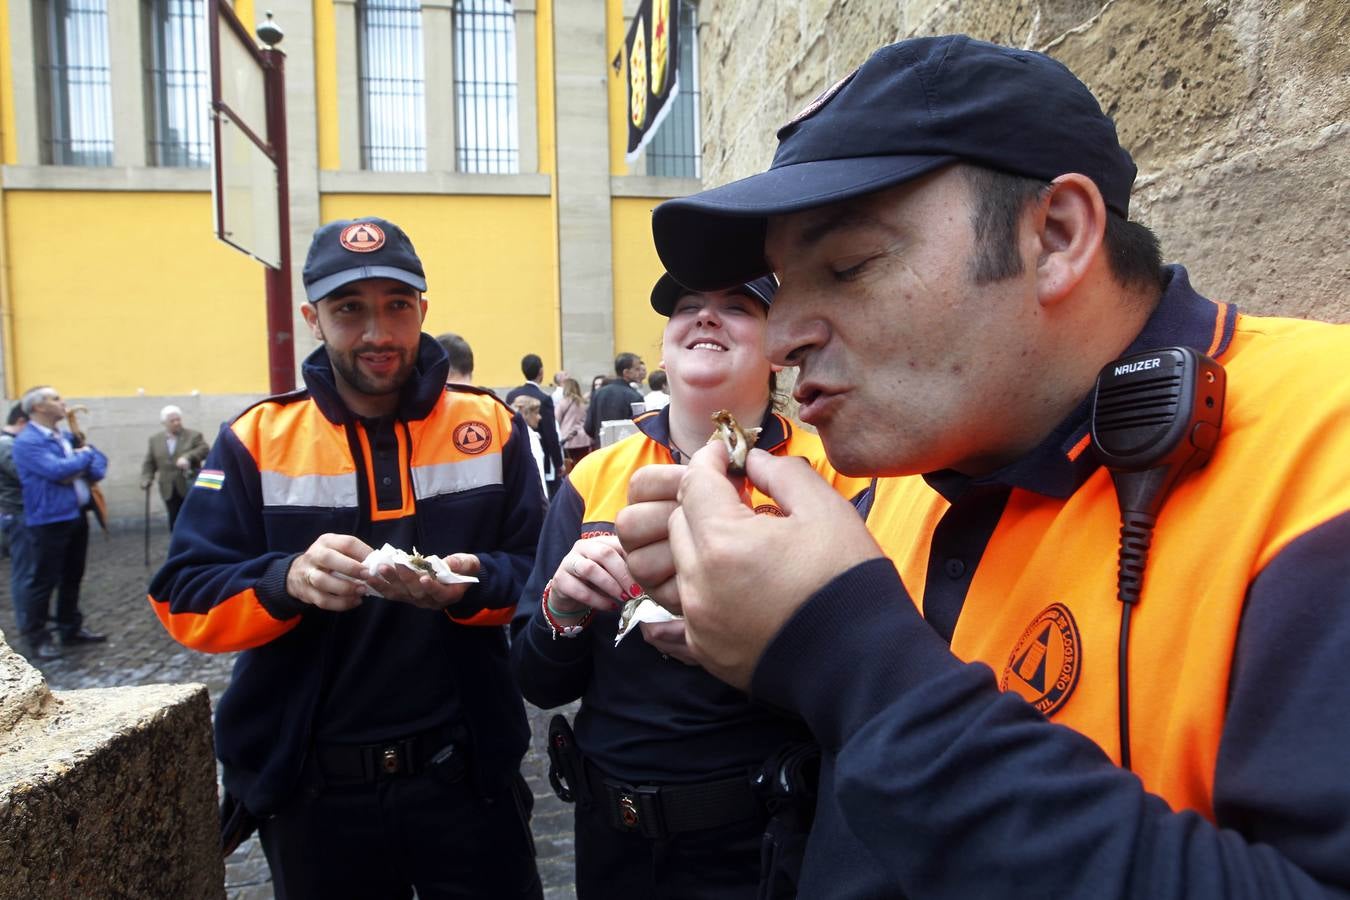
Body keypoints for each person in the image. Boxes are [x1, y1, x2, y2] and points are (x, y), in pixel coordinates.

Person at [618, 35, 1350, 898]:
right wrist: (755, 635)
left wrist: (845, 652)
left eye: (847, 265)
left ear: (1058, 234)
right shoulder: (912, 472)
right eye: (781, 286)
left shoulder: (1320, 454)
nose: (780, 341)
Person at [149, 216, 546, 899]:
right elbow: (181, 596)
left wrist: (474, 587)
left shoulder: (492, 427)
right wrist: (285, 581)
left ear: (424, 307)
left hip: (467, 780)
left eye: (397, 306)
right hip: (314, 797)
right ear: (313, 318)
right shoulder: (257, 439)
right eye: (349, 310)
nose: (378, 333)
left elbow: (542, 574)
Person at [511, 272, 868, 899]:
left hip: (764, 841)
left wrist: (755, 642)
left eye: (735, 307)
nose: (706, 318)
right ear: (664, 347)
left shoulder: (833, 476)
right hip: (612, 842)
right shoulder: (595, 477)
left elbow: (871, 678)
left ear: (777, 347)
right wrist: (562, 607)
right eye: (686, 307)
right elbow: (540, 682)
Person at [12, 386, 108, 660]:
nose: (62, 402)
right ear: (38, 407)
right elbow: (56, 471)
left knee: (72, 576)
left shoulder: (64, 437)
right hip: (48, 520)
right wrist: (83, 457)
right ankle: (37, 637)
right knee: (43, 580)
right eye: (54, 398)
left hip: (75, 515)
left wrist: (80, 459)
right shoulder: (28, 441)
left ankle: (70, 627)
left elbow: (98, 467)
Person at [140, 404, 210, 530]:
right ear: (164, 423)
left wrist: (188, 457)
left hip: (189, 484)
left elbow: (204, 449)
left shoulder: (193, 435)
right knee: (174, 519)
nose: (176, 423)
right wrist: (146, 478)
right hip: (168, 487)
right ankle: (177, 545)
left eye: (178, 419)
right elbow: (150, 462)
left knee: (193, 518)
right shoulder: (155, 440)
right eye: (172, 421)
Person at [506, 354, 565, 497]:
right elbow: (551, 434)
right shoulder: (544, 398)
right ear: (541, 372)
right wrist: (558, 463)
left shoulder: (511, 395)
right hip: (542, 456)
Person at [0, 404, 33, 642]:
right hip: (17, 513)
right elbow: (26, 475)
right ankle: (27, 624)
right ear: (22, 421)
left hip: (23, 512)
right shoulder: (6, 444)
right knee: (24, 571)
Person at [583, 353, 647, 448]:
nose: (640, 373)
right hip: (626, 449)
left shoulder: (599, 393)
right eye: (636, 369)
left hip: (602, 449)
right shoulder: (634, 396)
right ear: (626, 372)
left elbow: (588, 427)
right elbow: (641, 428)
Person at [510, 394, 548, 490]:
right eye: (536, 413)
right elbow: (539, 475)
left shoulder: (513, 434)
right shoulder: (531, 438)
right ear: (526, 414)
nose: (539, 417)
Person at [555, 377, 591, 468]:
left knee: (570, 466)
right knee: (582, 465)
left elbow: (556, 420)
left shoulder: (563, 403)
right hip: (583, 438)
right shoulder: (584, 403)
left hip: (568, 438)